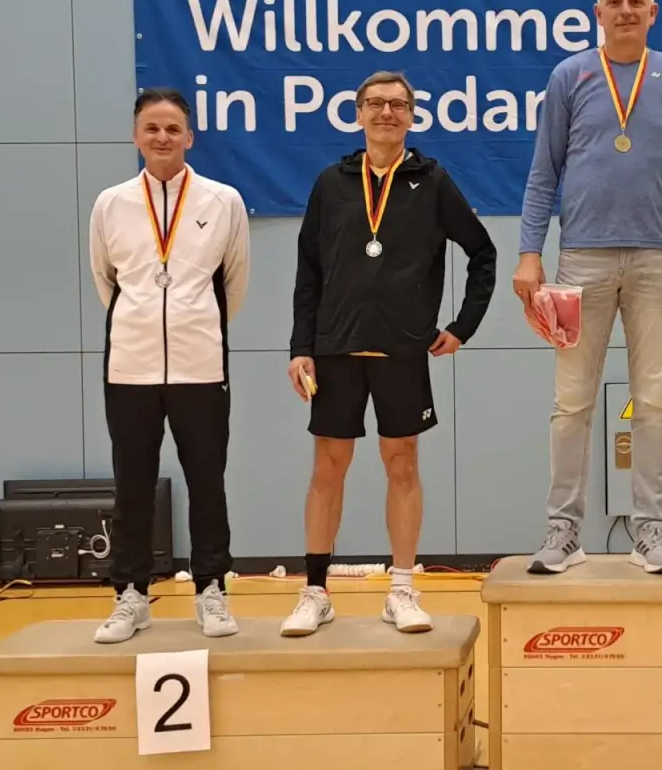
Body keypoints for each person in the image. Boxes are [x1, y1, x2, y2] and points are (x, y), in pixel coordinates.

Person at [517, 0, 662, 576]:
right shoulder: (570, 75)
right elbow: (543, 172)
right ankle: (563, 531)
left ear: (653, 13)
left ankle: (651, 532)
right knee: (571, 402)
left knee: (653, 401)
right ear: (598, 13)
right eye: (615, 1)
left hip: (658, 260)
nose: (626, 9)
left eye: (637, 1)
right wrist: (529, 252)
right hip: (581, 259)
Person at [284, 71, 496, 635]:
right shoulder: (331, 183)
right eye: (375, 104)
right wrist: (301, 347)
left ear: (411, 116)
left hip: (403, 352)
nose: (386, 113)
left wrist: (462, 327)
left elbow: (483, 254)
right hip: (335, 350)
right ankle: (315, 592)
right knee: (328, 467)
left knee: (402, 464)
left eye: (398, 105)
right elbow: (308, 271)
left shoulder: (433, 182)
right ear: (358, 113)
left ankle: (401, 589)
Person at [87, 88, 252, 644]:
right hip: (129, 368)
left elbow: (234, 281)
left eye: (173, 128)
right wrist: (141, 322)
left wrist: (193, 324)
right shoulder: (110, 204)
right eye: (152, 128)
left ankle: (211, 589)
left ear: (190, 137)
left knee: (208, 482)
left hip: (200, 365)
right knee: (131, 486)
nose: (162, 137)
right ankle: (131, 595)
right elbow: (106, 280)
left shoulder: (222, 201)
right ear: (136, 136)